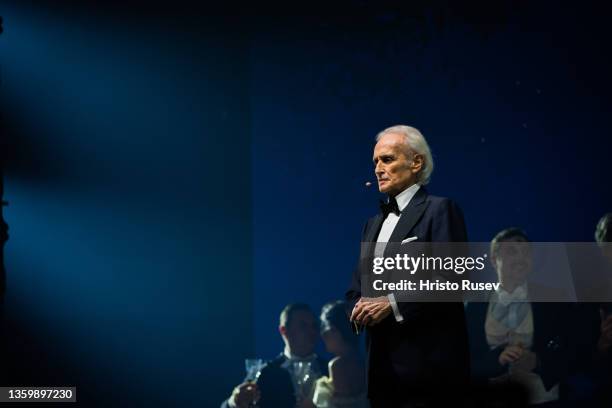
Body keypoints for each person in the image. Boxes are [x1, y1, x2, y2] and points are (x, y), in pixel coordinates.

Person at [346, 125, 470, 407]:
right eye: (375, 162)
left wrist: (392, 303)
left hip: (430, 375)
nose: (378, 168)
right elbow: (355, 290)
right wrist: (357, 310)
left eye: (387, 159)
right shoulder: (371, 225)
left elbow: (452, 279)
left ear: (416, 163)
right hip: (381, 373)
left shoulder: (440, 209)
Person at [465, 228, 569, 407]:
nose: (521, 258)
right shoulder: (474, 304)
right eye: (512, 251)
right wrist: (496, 360)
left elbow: (573, 350)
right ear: (493, 260)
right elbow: (463, 359)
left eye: (526, 252)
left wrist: (538, 361)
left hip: (544, 400)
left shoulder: (555, 299)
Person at [221, 303, 326, 408]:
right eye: (303, 325)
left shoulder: (327, 369)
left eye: (314, 326)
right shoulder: (267, 372)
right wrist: (234, 401)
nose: (311, 331)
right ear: (284, 331)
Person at [312, 301, 368, 408]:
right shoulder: (363, 362)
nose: (322, 337)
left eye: (325, 330)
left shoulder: (338, 365)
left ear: (336, 331)